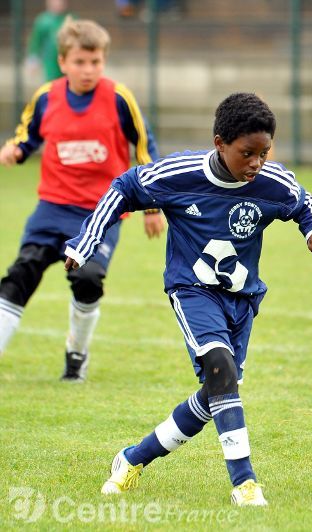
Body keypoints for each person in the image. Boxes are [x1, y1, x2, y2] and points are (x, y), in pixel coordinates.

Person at [63, 92, 312, 506]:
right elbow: (124, 188)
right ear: (220, 143)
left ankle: (132, 459)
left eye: (265, 152)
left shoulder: (271, 182)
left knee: (217, 393)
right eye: (247, 153)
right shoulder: (179, 175)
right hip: (191, 291)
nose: (256, 163)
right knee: (221, 368)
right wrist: (85, 242)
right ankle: (245, 483)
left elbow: (303, 202)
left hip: (242, 299)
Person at [0, 19, 163, 381]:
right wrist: (14, 150)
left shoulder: (120, 98)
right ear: (62, 62)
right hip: (52, 208)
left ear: (103, 61)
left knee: (88, 278)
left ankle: (77, 355)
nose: (88, 70)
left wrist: (152, 206)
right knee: (19, 275)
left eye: (95, 62)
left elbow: (144, 148)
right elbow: (27, 138)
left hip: (100, 213)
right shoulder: (46, 97)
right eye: (80, 62)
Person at [26, 0, 73, 82]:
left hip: (69, 58)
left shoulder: (71, 18)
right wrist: (33, 60)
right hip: (50, 60)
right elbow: (36, 41)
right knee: (52, 84)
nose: (57, 4)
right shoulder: (43, 21)